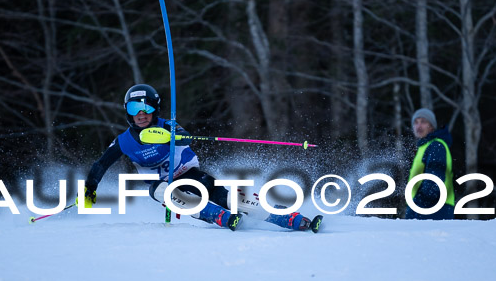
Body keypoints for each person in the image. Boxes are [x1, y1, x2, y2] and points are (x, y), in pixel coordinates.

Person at [82, 83, 321, 232]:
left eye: (147, 109)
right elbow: (101, 164)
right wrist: (90, 189)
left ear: (156, 109)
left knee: (230, 197)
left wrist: (170, 136)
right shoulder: (124, 141)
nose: (141, 115)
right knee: (161, 192)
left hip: (188, 173)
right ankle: (219, 217)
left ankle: (292, 219)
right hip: (161, 183)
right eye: (135, 109)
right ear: (128, 113)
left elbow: (187, 139)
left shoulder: (169, 127)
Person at [406, 108, 455, 220]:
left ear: (431, 126)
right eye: (416, 122)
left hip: (434, 209)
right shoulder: (424, 147)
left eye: (423, 122)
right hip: (426, 209)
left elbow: (434, 182)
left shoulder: (436, 146)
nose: (419, 126)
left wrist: (418, 205)